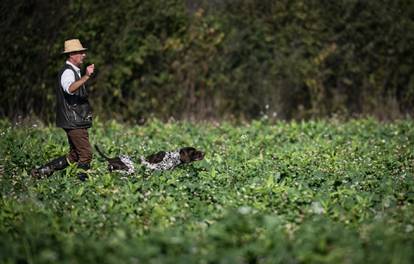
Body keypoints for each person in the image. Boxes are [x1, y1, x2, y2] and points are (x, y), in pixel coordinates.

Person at [31, 39, 95, 181]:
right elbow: (70, 89)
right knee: (86, 154)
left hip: (75, 119)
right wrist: (87, 76)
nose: (84, 55)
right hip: (73, 120)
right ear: (72, 54)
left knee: (74, 155)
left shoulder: (74, 71)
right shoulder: (67, 72)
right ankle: (82, 184)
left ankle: (43, 171)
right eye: (80, 52)